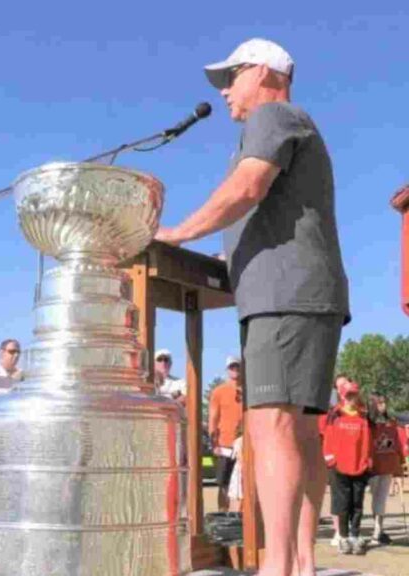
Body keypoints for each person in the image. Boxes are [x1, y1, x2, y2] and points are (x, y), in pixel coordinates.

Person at [155, 38, 349, 575]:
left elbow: (246, 188)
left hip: (284, 296)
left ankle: (278, 566)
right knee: (300, 430)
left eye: (229, 78)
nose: (222, 93)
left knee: (271, 427)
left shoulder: (271, 117)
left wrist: (173, 234)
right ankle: (301, 563)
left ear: (262, 72)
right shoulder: (287, 123)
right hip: (306, 294)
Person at [322, 381, 372, 555]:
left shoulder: (363, 415)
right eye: (349, 395)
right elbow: (328, 438)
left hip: (359, 466)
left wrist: (367, 462)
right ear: (342, 395)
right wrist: (331, 460)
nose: (352, 398)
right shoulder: (334, 414)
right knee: (343, 504)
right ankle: (343, 537)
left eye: (354, 395)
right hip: (339, 467)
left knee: (357, 504)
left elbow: (367, 441)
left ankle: (354, 536)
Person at [367, 393, 404, 545]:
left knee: (381, 499)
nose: (383, 406)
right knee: (375, 499)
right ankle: (375, 529)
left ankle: (378, 530)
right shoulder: (368, 423)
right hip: (374, 466)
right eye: (380, 403)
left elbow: (396, 444)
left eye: (384, 403)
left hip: (388, 465)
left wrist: (399, 463)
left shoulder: (391, 422)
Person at [209, 356, 243, 512]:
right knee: (223, 483)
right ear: (227, 370)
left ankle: (243, 517)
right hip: (224, 443)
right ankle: (223, 514)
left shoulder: (250, 390)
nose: (235, 369)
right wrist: (214, 443)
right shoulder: (218, 391)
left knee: (245, 481)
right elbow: (213, 418)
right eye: (232, 367)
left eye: (237, 366)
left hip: (245, 444)